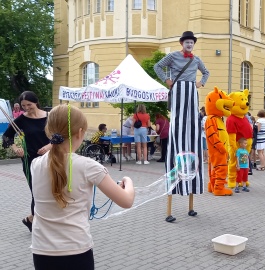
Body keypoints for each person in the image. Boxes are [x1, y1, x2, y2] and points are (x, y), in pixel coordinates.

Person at [30, 104, 134, 270]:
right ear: (80, 133)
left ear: (49, 131)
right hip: (76, 250)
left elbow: (58, 161)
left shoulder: (35, 164)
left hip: (42, 250)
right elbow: (126, 201)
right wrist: (128, 181)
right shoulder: (88, 166)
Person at [153, 31, 208, 222]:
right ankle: (170, 207)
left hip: (191, 91)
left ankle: (191, 204)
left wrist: (201, 83)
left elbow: (206, 72)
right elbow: (157, 66)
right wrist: (167, 81)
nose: (189, 44)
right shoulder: (173, 56)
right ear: (182, 43)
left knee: (192, 124)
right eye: (187, 41)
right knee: (177, 123)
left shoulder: (196, 59)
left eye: (192, 42)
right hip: (178, 89)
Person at [1, 91, 51, 232]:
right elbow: (6, 137)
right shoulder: (21, 119)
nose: (26, 108)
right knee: (38, 193)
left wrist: (49, 146)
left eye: (29, 104)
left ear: (36, 102)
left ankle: (30, 219)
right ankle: (38, 225)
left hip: (50, 159)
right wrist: (16, 148)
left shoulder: (49, 116)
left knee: (50, 191)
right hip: (30, 161)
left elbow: (59, 136)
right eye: (23, 106)